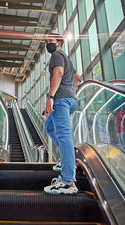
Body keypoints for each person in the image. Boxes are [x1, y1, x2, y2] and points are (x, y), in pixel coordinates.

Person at [44, 33, 81, 194]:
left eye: (50, 41)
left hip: (61, 100)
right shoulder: (68, 58)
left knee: (63, 134)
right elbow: (77, 78)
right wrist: (72, 89)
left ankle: (67, 181)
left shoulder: (56, 55)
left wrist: (50, 97)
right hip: (71, 100)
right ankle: (68, 160)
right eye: (46, 41)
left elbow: (58, 73)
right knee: (49, 127)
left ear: (59, 42)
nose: (48, 44)